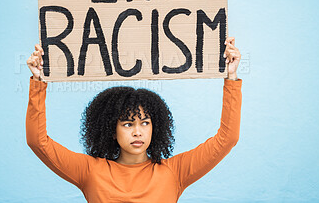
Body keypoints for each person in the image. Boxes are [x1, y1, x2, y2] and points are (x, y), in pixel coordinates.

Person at [26, 37, 242, 202]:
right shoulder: (91, 172)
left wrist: (231, 76)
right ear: (113, 130)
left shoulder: (174, 172)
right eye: (128, 124)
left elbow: (227, 139)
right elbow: (38, 141)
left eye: (145, 123)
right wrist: (38, 80)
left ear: (154, 128)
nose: (137, 132)